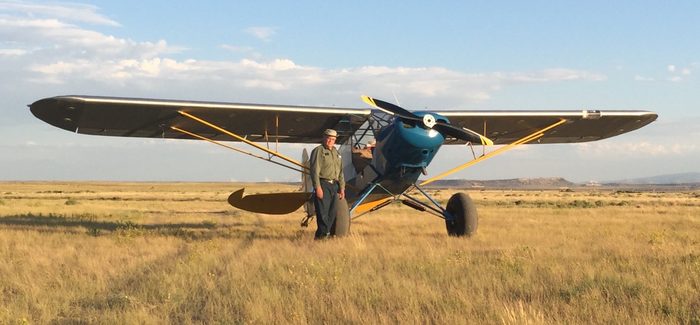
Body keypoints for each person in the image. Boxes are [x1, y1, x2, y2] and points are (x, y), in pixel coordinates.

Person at [309, 129, 345, 240]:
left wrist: (342, 188)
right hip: (323, 184)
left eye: (333, 139)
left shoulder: (337, 153)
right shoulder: (318, 151)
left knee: (332, 212)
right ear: (324, 138)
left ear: (335, 140)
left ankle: (321, 235)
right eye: (328, 138)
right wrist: (317, 187)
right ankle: (324, 235)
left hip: (334, 186)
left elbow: (340, 172)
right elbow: (315, 170)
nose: (330, 141)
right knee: (322, 212)